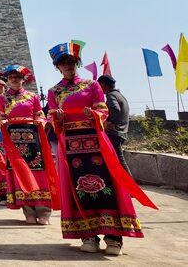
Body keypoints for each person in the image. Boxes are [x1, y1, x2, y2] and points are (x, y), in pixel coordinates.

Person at [48, 43, 150, 255]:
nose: (68, 66)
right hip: (71, 145)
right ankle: (88, 235)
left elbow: (102, 110)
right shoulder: (54, 91)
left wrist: (93, 114)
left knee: (108, 185)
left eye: (71, 62)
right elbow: (51, 116)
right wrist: (57, 117)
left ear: (77, 63)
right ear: (57, 67)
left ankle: (114, 238)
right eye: (63, 63)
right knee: (78, 188)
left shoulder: (91, 85)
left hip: (96, 141)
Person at [0, 65, 55, 225]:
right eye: (11, 77)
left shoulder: (32, 96)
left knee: (38, 172)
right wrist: (3, 122)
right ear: (7, 80)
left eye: (18, 76)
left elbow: (40, 115)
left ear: (23, 79)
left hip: (32, 138)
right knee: (19, 173)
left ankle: (44, 211)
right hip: (12, 141)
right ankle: (28, 211)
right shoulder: (1, 99)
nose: (14, 79)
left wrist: (41, 122)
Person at [97, 75, 131, 174]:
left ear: (103, 84)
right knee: (115, 160)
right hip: (122, 132)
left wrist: (108, 121)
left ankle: (130, 186)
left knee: (119, 161)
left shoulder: (111, 95)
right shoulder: (120, 95)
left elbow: (115, 109)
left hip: (114, 133)